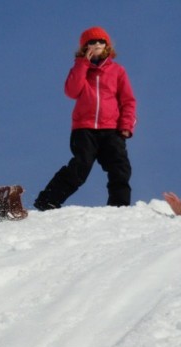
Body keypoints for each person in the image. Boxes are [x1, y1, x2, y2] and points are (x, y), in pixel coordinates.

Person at [35, 26, 137, 210]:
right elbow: (71, 91)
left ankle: (119, 206)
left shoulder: (117, 71)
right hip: (84, 128)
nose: (97, 44)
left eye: (101, 41)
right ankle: (48, 200)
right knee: (80, 167)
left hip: (111, 129)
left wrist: (126, 125)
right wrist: (82, 64)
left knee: (120, 167)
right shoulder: (81, 68)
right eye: (91, 42)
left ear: (107, 45)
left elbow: (128, 101)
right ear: (84, 47)